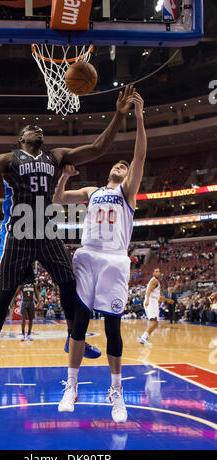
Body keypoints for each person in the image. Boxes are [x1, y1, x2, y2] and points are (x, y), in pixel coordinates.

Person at [0, 85, 135, 384]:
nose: (37, 129)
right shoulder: (8, 159)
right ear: (20, 139)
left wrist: (117, 116)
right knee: (5, 291)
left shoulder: (56, 156)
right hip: (20, 231)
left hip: (47, 229)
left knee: (69, 283)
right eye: (30, 129)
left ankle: (70, 336)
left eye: (39, 129)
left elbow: (98, 149)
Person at [53, 92, 146, 423]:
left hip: (115, 261)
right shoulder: (93, 191)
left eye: (125, 165)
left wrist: (139, 117)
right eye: (117, 164)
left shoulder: (127, 193)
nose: (122, 165)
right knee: (79, 323)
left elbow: (139, 155)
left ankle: (116, 392)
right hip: (88, 256)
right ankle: (72, 386)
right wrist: (64, 177)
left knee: (113, 328)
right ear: (109, 171)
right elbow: (58, 198)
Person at [138, 268, 174, 346]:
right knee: (154, 321)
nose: (158, 273)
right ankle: (144, 337)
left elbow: (157, 297)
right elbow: (148, 291)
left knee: (155, 323)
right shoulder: (154, 281)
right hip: (150, 301)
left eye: (159, 271)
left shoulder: (156, 282)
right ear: (153, 273)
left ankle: (144, 337)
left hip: (153, 301)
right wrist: (147, 300)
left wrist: (167, 300)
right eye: (156, 271)